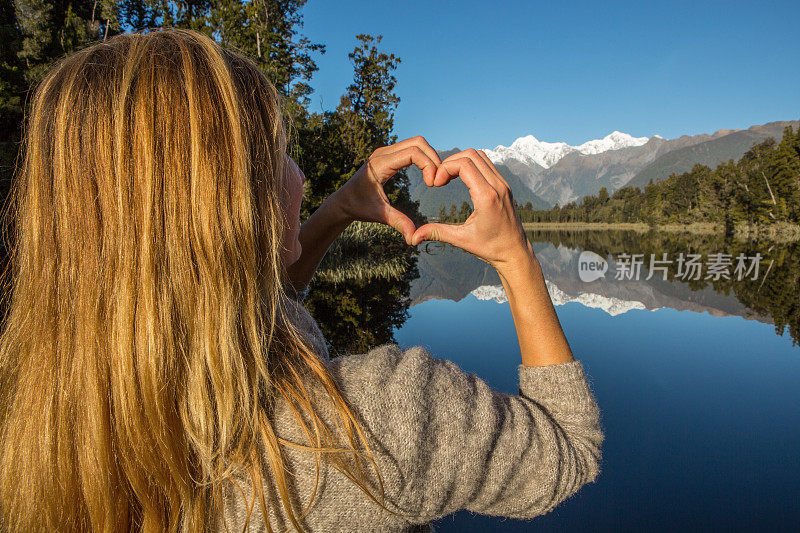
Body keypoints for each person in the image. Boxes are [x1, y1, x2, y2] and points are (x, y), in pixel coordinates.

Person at [0, 29, 603, 532]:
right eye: (284, 154)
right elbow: (567, 449)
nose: (302, 172)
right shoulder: (380, 423)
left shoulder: (52, 417)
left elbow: (252, 308)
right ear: (232, 206)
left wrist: (340, 207)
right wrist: (516, 259)